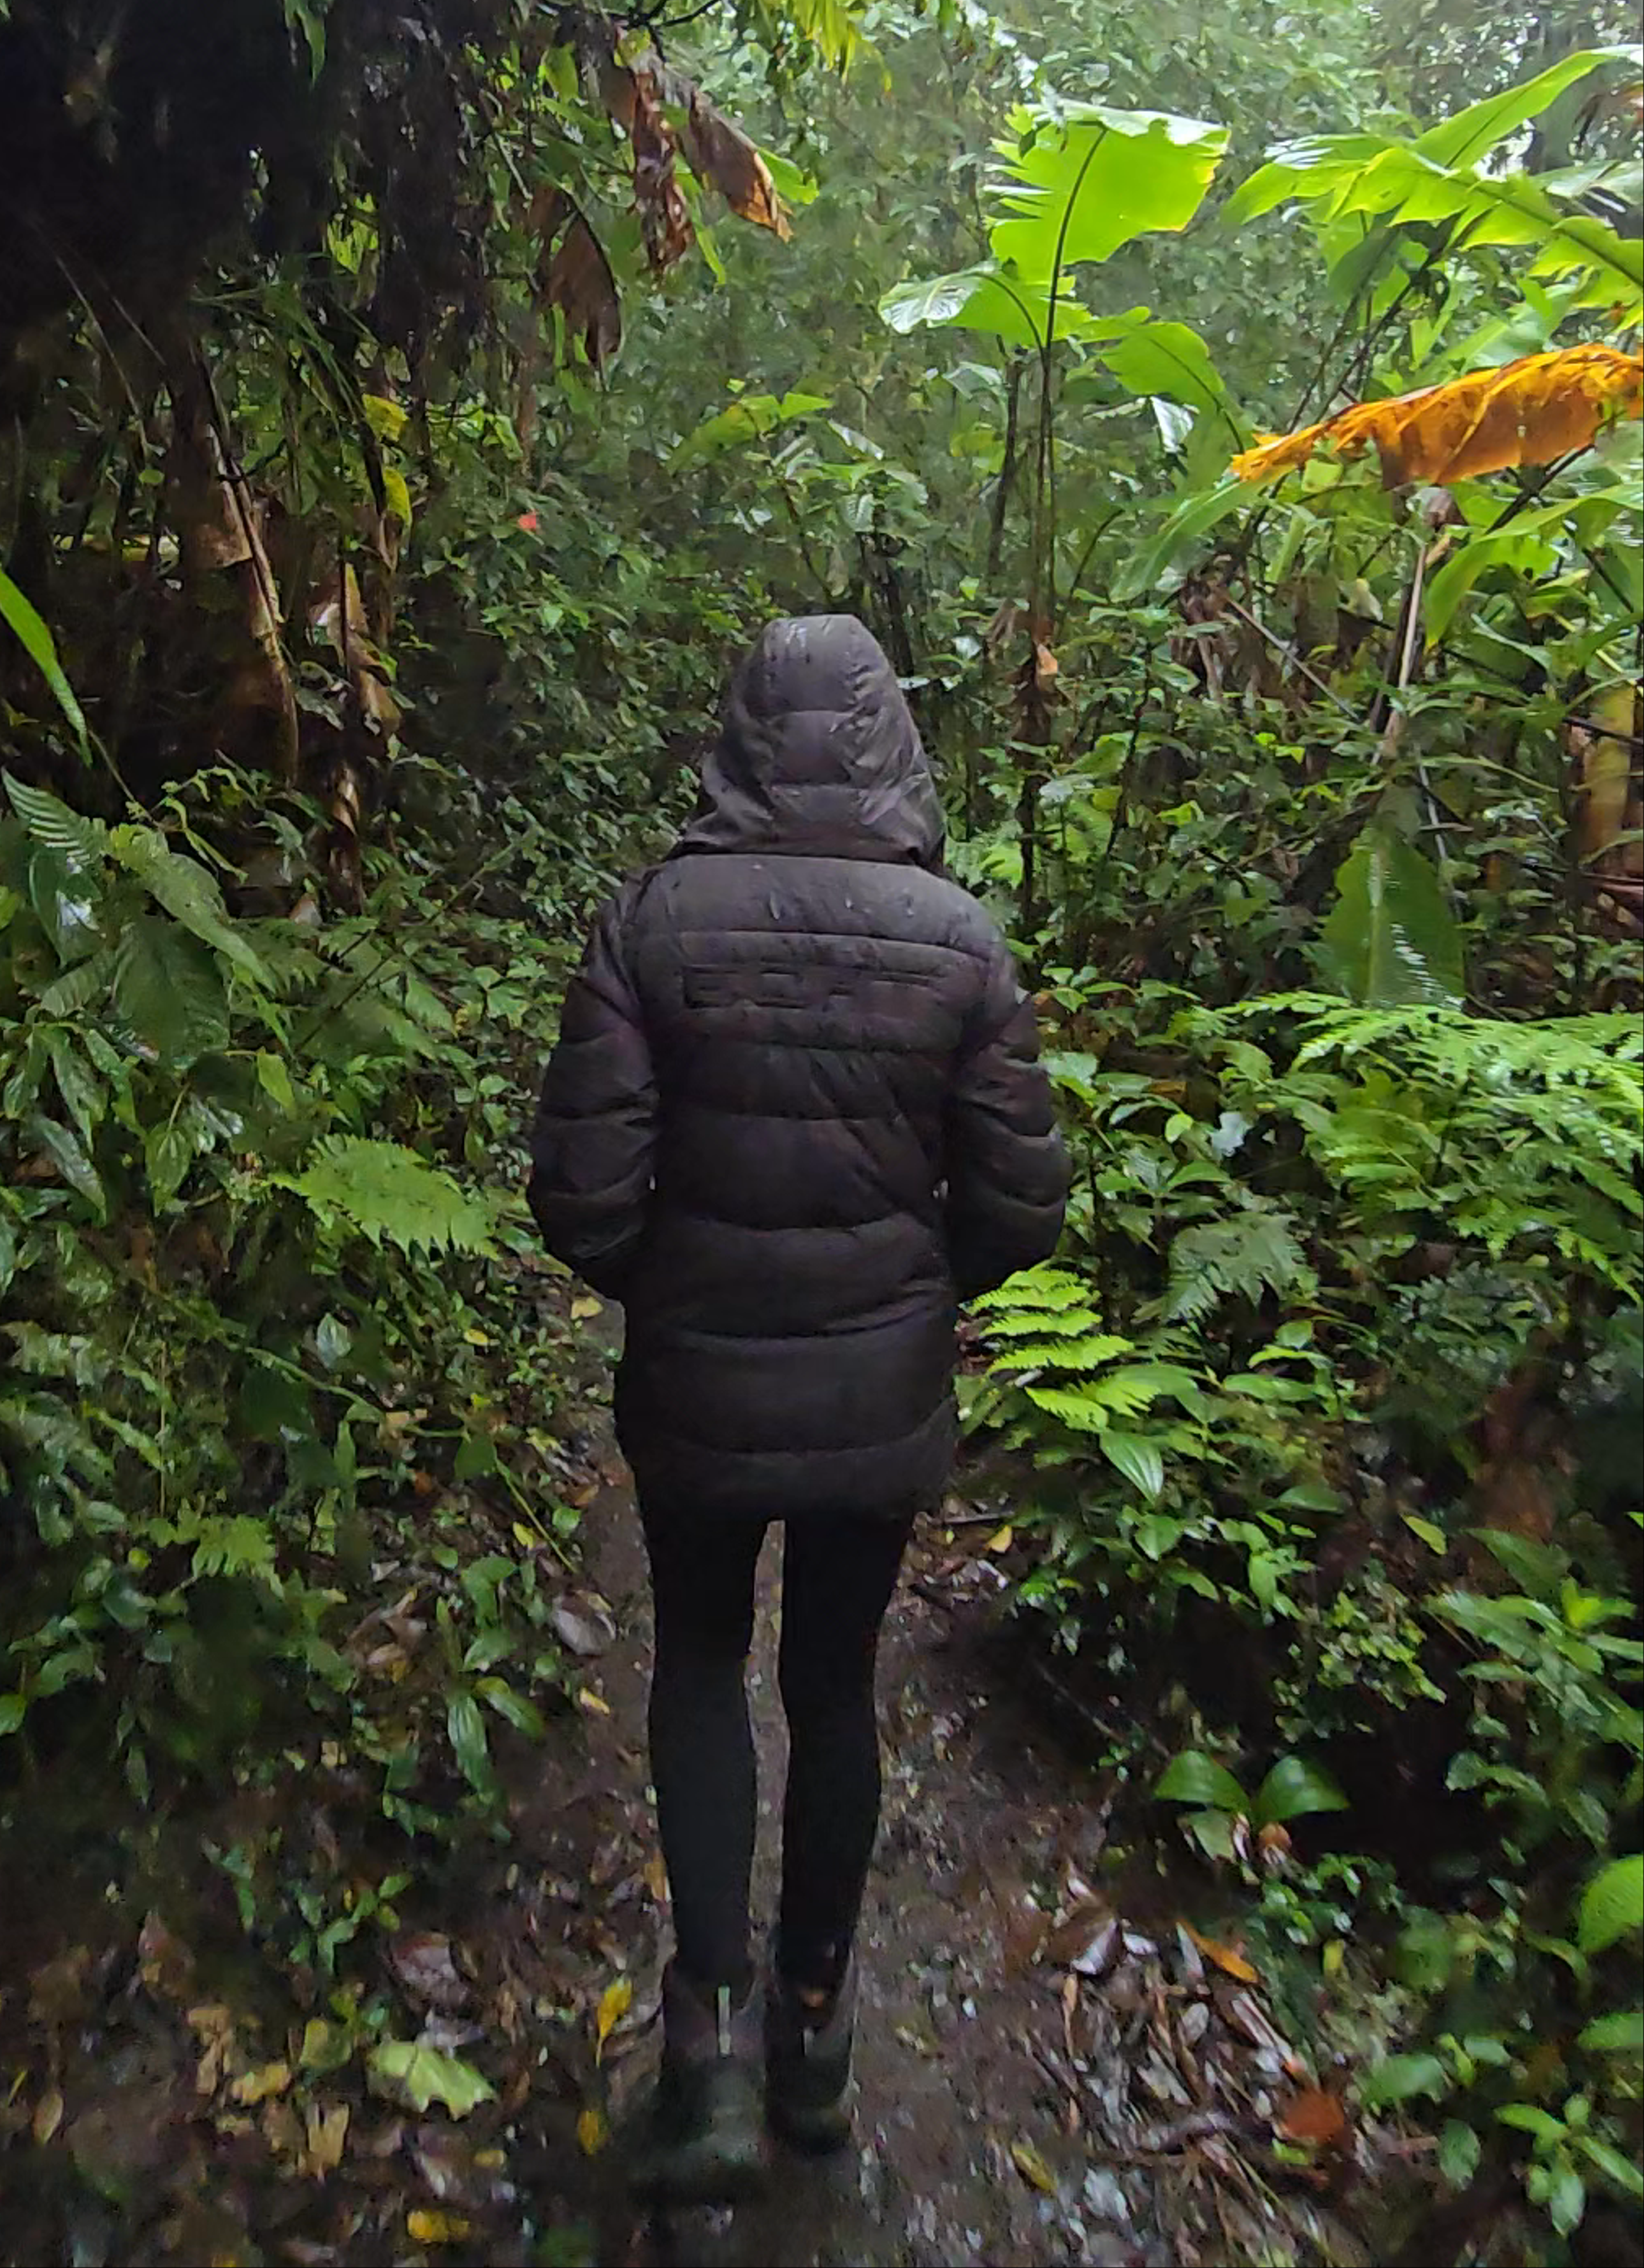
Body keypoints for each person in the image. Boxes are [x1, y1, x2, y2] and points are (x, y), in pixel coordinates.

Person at [527, 614, 1070, 2203]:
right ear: (894, 739)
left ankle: (704, 2048)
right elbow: (1024, 1209)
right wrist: (909, 1298)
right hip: (876, 1401)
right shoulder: (962, 944)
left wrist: (668, 1284)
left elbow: (579, 1195)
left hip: (694, 1392)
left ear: (743, 739)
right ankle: (817, 2048)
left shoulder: (651, 923)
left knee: (699, 1661)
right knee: (834, 1685)